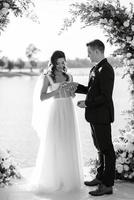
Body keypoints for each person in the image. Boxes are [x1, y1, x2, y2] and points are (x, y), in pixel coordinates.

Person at [30, 50, 84, 194]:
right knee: (55, 141)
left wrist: (71, 92)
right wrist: (57, 90)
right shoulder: (48, 77)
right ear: (53, 63)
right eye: (58, 62)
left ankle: (68, 179)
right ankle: (53, 179)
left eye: (63, 62)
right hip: (56, 110)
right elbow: (42, 97)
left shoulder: (69, 76)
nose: (61, 65)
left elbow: (71, 96)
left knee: (68, 141)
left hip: (68, 110)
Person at [72, 39, 116, 196]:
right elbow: (91, 90)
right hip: (94, 116)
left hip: (102, 116)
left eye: (89, 52)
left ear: (97, 51)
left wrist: (87, 103)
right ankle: (100, 176)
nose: (88, 55)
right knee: (99, 148)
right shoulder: (95, 68)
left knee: (107, 150)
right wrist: (75, 86)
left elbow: (105, 96)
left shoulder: (106, 70)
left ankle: (108, 185)